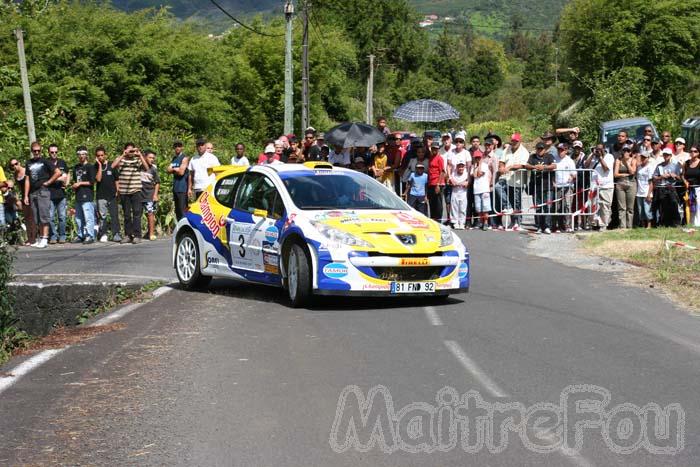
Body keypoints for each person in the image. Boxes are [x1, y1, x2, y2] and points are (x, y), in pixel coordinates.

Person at [24, 142, 61, 248]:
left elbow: (58, 172)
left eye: (38, 150)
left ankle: (45, 238)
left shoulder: (45, 161)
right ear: (31, 151)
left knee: (44, 215)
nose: (36, 152)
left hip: (43, 191)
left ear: (41, 150)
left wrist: (49, 182)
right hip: (33, 192)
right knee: (36, 217)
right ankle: (40, 237)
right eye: (34, 151)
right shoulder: (28, 163)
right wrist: (26, 195)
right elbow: (27, 179)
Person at [112, 143, 149, 244]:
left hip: (136, 189)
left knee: (137, 213)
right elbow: (113, 166)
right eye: (129, 150)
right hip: (124, 191)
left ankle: (137, 235)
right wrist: (123, 154)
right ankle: (128, 235)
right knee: (127, 214)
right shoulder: (121, 159)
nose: (130, 152)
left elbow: (146, 168)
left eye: (132, 150)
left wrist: (140, 154)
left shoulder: (137, 160)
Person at [496, 133, 529, 231]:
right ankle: (508, 207)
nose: (513, 142)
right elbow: (502, 161)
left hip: (518, 180)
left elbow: (523, 165)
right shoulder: (507, 149)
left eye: (516, 141)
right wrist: (501, 167)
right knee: (498, 187)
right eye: (512, 141)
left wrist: (510, 167)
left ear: (520, 141)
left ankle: (517, 223)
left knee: (516, 201)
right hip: (506, 178)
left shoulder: (524, 151)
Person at [526, 142, 556, 234]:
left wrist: (544, 167)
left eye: (541, 149)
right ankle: (539, 226)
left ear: (545, 149)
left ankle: (547, 226)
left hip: (548, 186)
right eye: (538, 148)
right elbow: (526, 165)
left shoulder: (549, 156)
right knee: (538, 207)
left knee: (548, 206)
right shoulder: (532, 157)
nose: (539, 150)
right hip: (536, 186)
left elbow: (554, 166)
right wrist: (535, 167)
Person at [70, 146, 97, 243]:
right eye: (79, 154)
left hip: (87, 195)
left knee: (88, 216)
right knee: (78, 218)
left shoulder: (90, 167)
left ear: (86, 155)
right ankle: (80, 235)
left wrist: (80, 183)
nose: (81, 156)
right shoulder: (76, 167)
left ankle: (90, 235)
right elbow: (75, 179)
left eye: (83, 154)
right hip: (78, 195)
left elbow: (92, 182)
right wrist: (74, 186)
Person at [95, 146, 121, 242]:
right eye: (98, 156)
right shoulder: (95, 166)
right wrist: (99, 165)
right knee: (102, 216)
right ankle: (103, 233)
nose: (100, 157)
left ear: (105, 155)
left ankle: (116, 234)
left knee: (114, 215)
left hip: (112, 195)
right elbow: (98, 179)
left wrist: (118, 192)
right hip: (101, 196)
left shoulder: (111, 165)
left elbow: (117, 180)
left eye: (102, 155)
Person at [586, 143, 615, 229]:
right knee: (592, 205)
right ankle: (593, 223)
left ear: (604, 149)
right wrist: (592, 155)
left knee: (605, 206)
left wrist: (600, 157)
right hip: (594, 185)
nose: (598, 150)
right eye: (596, 149)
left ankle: (603, 224)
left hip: (606, 185)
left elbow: (606, 169)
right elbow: (586, 165)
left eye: (600, 149)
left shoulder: (609, 157)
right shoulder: (593, 157)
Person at [652, 148, 682, 227]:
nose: (666, 156)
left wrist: (674, 175)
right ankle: (664, 223)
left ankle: (676, 223)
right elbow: (654, 177)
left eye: (667, 155)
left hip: (672, 188)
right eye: (664, 155)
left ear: (671, 155)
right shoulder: (659, 166)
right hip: (662, 188)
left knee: (674, 205)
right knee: (663, 206)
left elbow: (680, 178)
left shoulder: (675, 166)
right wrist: (661, 177)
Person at [10, 159, 36, 246]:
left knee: (33, 217)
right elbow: (18, 187)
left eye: (16, 164)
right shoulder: (15, 175)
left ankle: (34, 239)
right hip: (24, 197)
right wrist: (17, 199)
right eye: (12, 165)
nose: (15, 166)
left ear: (19, 163)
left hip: (32, 195)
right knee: (27, 217)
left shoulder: (26, 171)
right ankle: (30, 238)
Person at [46, 144, 68, 244]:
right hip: (50, 194)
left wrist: (66, 182)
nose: (54, 154)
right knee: (50, 217)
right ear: (48, 152)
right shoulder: (46, 163)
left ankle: (62, 236)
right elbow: (46, 179)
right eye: (52, 152)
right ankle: (53, 236)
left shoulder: (62, 162)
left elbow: (66, 175)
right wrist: (59, 178)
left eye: (56, 152)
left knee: (62, 217)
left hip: (61, 194)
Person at [554, 143, 577, 232]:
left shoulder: (569, 160)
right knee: (557, 206)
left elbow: (574, 174)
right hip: (557, 186)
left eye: (562, 150)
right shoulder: (554, 158)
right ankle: (558, 225)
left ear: (566, 150)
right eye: (559, 149)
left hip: (568, 186)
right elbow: (552, 171)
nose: (560, 151)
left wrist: (571, 178)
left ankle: (567, 225)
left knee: (567, 205)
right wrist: (553, 181)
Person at [613, 146, 637, 229]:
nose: (626, 152)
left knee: (630, 208)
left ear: (630, 152)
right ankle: (622, 226)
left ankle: (629, 226)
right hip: (620, 184)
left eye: (628, 151)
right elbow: (615, 174)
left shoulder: (633, 160)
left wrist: (626, 162)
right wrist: (624, 174)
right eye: (624, 151)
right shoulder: (618, 160)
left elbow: (632, 172)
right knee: (621, 207)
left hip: (631, 184)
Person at [167, 141, 189, 222]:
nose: (177, 148)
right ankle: (180, 228)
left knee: (183, 210)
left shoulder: (184, 158)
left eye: (179, 146)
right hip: (175, 188)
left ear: (182, 147)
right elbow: (168, 170)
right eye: (175, 146)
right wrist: (175, 169)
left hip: (182, 188)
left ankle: (185, 228)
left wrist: (174, 169)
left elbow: (181, 172)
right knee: (177, 211)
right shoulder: (174, 158)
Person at [140, 150, 160, 241]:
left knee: (150, 213)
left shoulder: (153, 169)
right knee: (137, 214)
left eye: (153, 158)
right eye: (150, 157)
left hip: (149, 195)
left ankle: (151, 233)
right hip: (139, 194)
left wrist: (155, 195)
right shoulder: (139, 167)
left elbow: (157, 183)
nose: (152, 159)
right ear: (145, 157)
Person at [471, 152, 492, 230]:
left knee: (485, 207)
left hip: (484, 189)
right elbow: (473, 175)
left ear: (481, 158)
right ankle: (481, 221)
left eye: (479, 158)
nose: (477, 159)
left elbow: (479, 174)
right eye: (476, 158)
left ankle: (486, 222)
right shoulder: (473, 166)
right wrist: (475, 166)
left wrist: (479, 164)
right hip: (476, 189)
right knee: (478, 207)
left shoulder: (484, 166)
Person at [635, 152, 655, 229]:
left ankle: (649, 225)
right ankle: (643, 225)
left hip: (647, 192)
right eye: (642, 157)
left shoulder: (650, 167)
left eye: (645, 157)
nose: (643, 159)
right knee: (640, 210)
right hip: (639, 192)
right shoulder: (639, 167)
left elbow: (651, 182)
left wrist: (649, 194)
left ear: (648, 158)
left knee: (647, 210)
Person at [427, 142, 446, 222]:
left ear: (438, 149)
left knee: (438, 203)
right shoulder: (430, 158)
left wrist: (438, 184)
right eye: (433, 148)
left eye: (436, 148)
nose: (434, 150)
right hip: (431, 183)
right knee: (432, 203)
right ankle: (433, 219)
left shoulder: (440, 158)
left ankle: (438, 220)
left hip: (437, 183)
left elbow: (442, 171)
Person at [682, 145, 700, 227]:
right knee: (689, 207)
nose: (693, 153)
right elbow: (682, 175)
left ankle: (698, 225)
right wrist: (685, 181)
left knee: (698, 207)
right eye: (691, 151)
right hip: (689, 189)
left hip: (698, 188)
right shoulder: (686, 163)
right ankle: (691, 224)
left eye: (695, 151)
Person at [449, 162, 469, 229]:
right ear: (457, 167)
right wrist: (455, 183)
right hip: (455, 193)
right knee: (454, 208)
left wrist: (465, 183)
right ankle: (455, 223)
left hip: (463, 193)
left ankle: (462, 223)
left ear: (464, 167)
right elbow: (451, 182)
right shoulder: (453, 174)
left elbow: (467, 182)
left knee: (462, 209)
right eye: (459, 167)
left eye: (462, 167)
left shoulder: (466, 174)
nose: (461, 168)